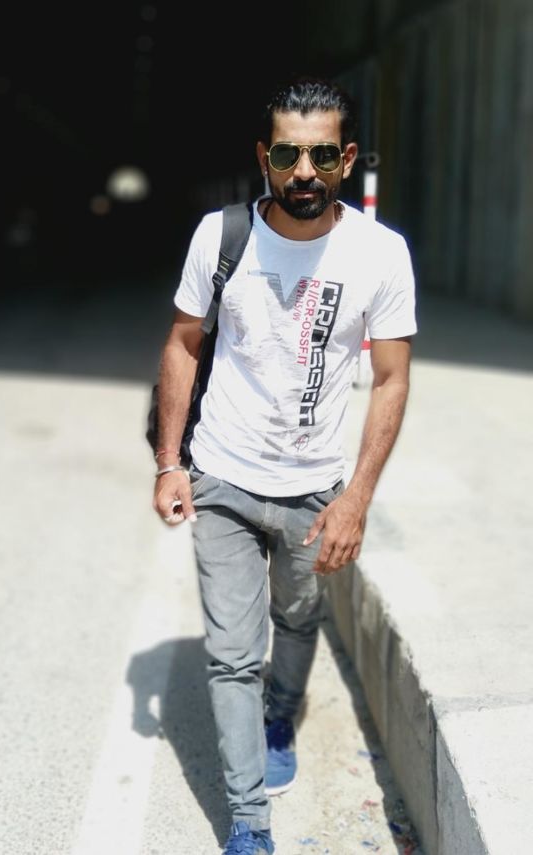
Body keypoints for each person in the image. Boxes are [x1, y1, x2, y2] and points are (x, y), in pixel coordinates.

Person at [151, 74, 417, 854]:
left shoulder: (380, 253)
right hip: (223, 474)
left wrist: (356, 498)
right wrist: (169, 461)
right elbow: (183, 342)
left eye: (322, 155)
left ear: (347, 159)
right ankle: (248, 821)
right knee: (233, 656)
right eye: (288, 155)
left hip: (315, 487)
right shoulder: (220, 236)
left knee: (298, 615)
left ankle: (280, 715)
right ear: (264, 156)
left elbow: (392, 378)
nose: (305, 172)